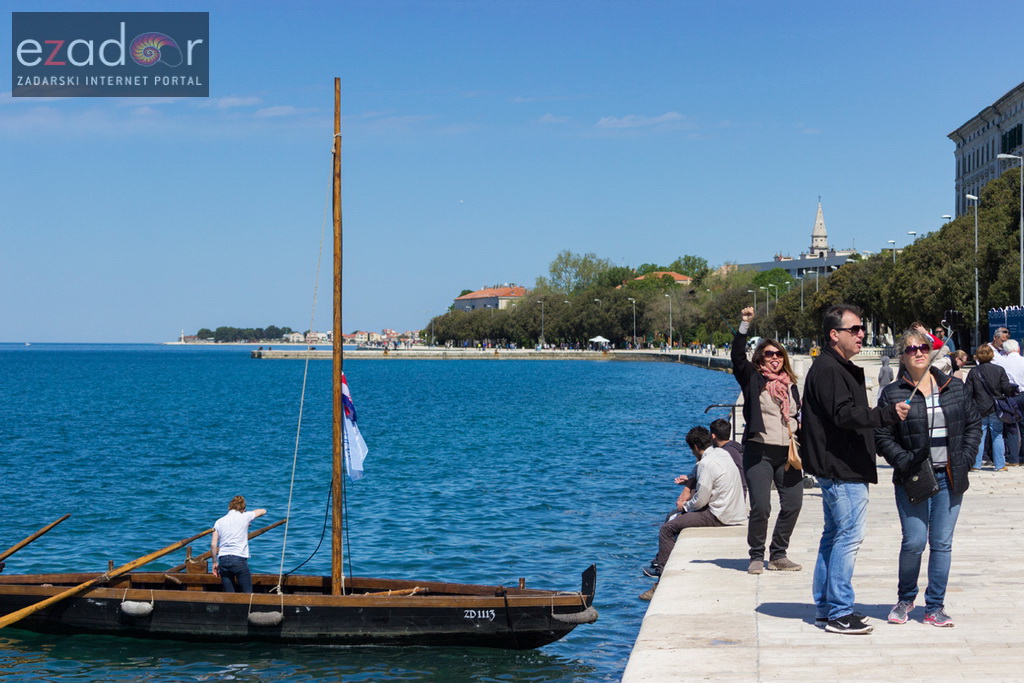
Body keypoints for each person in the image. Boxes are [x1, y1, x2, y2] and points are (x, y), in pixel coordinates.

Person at [801, 304, 909, 635]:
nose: (862, 334)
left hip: (839, 465)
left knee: (834, 536)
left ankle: (826, 608)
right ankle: (838, 611)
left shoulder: (833, 366)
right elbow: (844, 414)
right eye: (855, 329)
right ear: (834, 335)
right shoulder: (829, 369)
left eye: (862, 329)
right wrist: (886, 414)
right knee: (848, 537)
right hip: (842, 467)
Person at [875, 328, 981, 628]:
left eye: (923, 347)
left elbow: (973, 424)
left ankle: (935, 606)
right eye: (911, 349)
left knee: (942, 543)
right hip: (913, 476)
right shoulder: (893, 393)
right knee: (914, 541)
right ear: (902, 356)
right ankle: (906, 598)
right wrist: (903, 460)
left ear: (931, 351)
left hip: (950, 475)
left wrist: (966, 458)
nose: (918, 353)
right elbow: (882, 435)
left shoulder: (953, 386)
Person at [731, 307, 804, 575]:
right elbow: (737, 356)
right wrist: (745, 324)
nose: (774, 358)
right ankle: (756, 555)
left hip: (788, 454)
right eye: (769, 354)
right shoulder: (752, 378)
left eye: (778, 354)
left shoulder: (790, 384)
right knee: (761, 507)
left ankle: (778, 554)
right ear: (760, 358)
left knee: (793, 504)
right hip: (759, 453)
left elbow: (797, 415)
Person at [641, 426, 746, 581]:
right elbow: (697, 471)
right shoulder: (722, 453)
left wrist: (684, 506)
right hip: (735, 510)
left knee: (667, 528)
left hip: (719, 515)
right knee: (673, 516)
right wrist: (688, 484)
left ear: (695, 447)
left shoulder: (706, 464)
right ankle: (660, 559)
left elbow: (701, 500)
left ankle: (661, 567)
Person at [965, 344, 1017, 471]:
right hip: (996, 407)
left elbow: (968, 392)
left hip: (978, 407)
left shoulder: (973, 372)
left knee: (979, 436)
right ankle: (1000, 464)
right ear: (992, 355)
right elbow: (1006, 388)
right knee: (997, 435)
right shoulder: (999, 370)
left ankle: (976, 464)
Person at [211, 495, 267, 593]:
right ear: (243, 508)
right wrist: (245, 516)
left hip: (223, 559)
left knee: (229, 595)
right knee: (247, 594)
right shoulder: (245, 516)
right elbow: (263, 511)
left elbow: (213, 544)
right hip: (238, 559)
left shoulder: (219, 522)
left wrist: (215, 562)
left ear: (230, 507)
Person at [1000, 339, 1024, 466]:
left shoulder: (1001, 362)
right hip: (1023, 393)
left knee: (1011, 427)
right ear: (1018, 349)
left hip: (1010, 396)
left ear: (1005, 351)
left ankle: (1013, 458)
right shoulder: (1023, 361)